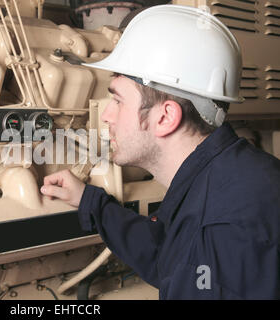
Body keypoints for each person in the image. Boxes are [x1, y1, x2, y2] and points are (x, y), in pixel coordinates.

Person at [40, 5, 280, 299]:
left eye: (118, 100)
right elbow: (166, 254)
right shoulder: (240, 174)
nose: (107, 116)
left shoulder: (211, 237)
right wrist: (89, 201)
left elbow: (190, 257)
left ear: (165, 117)